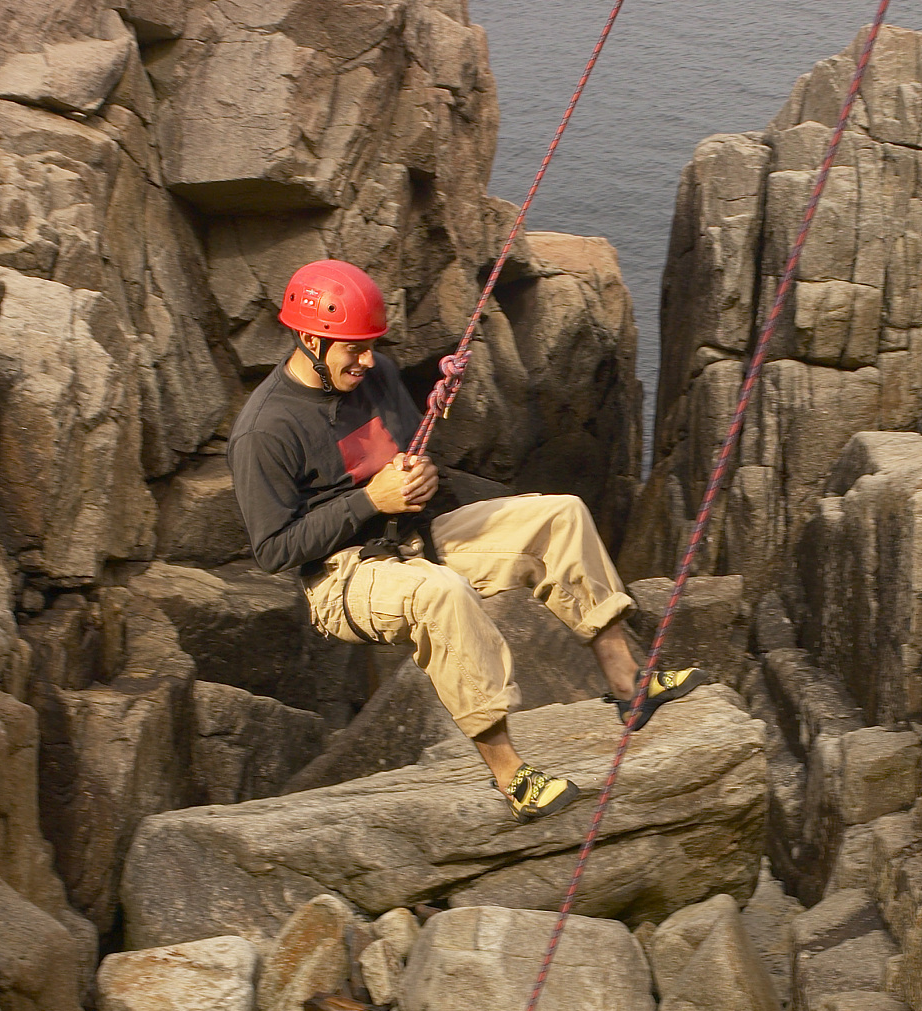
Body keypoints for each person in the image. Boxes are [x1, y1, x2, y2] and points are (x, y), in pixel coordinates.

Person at [228, 258, 703, 822]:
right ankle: (512, 777)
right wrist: (369, 501)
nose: (366, 360)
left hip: (414, 533)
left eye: (370, 345)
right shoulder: (266, 429)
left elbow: (408, 454)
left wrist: (424, 459)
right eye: (352, 349)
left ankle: (629, 683)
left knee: (561, 515)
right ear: (309, 338)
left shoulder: (374, 374)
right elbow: (272, 549)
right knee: (442, 594)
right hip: (341, 575)